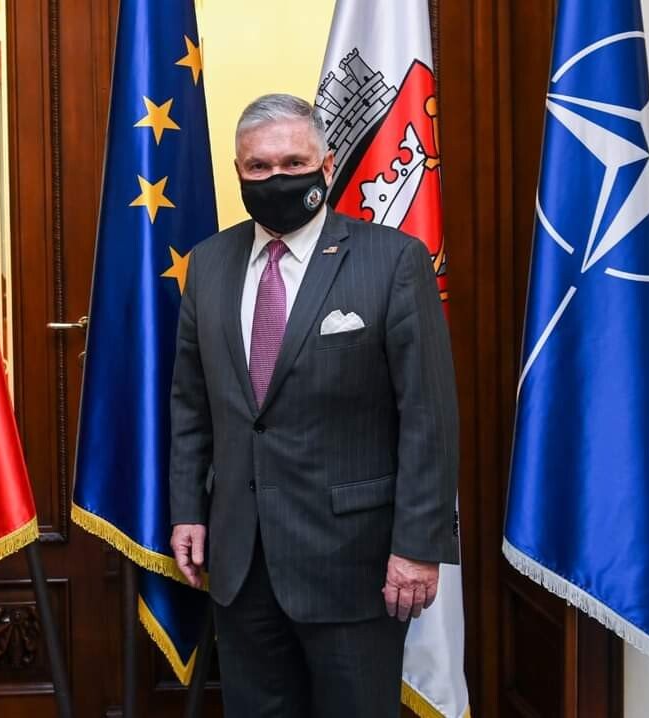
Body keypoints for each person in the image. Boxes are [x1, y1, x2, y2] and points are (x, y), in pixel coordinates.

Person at [168, 94, 459, 717]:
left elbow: (428, 417)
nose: (276, 178)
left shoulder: (392, 260)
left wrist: (417, 546)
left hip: (354, 564)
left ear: (326, 165)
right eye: (259, 167)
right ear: (239, 172)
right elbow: (192, 404)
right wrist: (188, 510)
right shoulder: (209, 263)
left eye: (293, 163)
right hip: (242, 562)